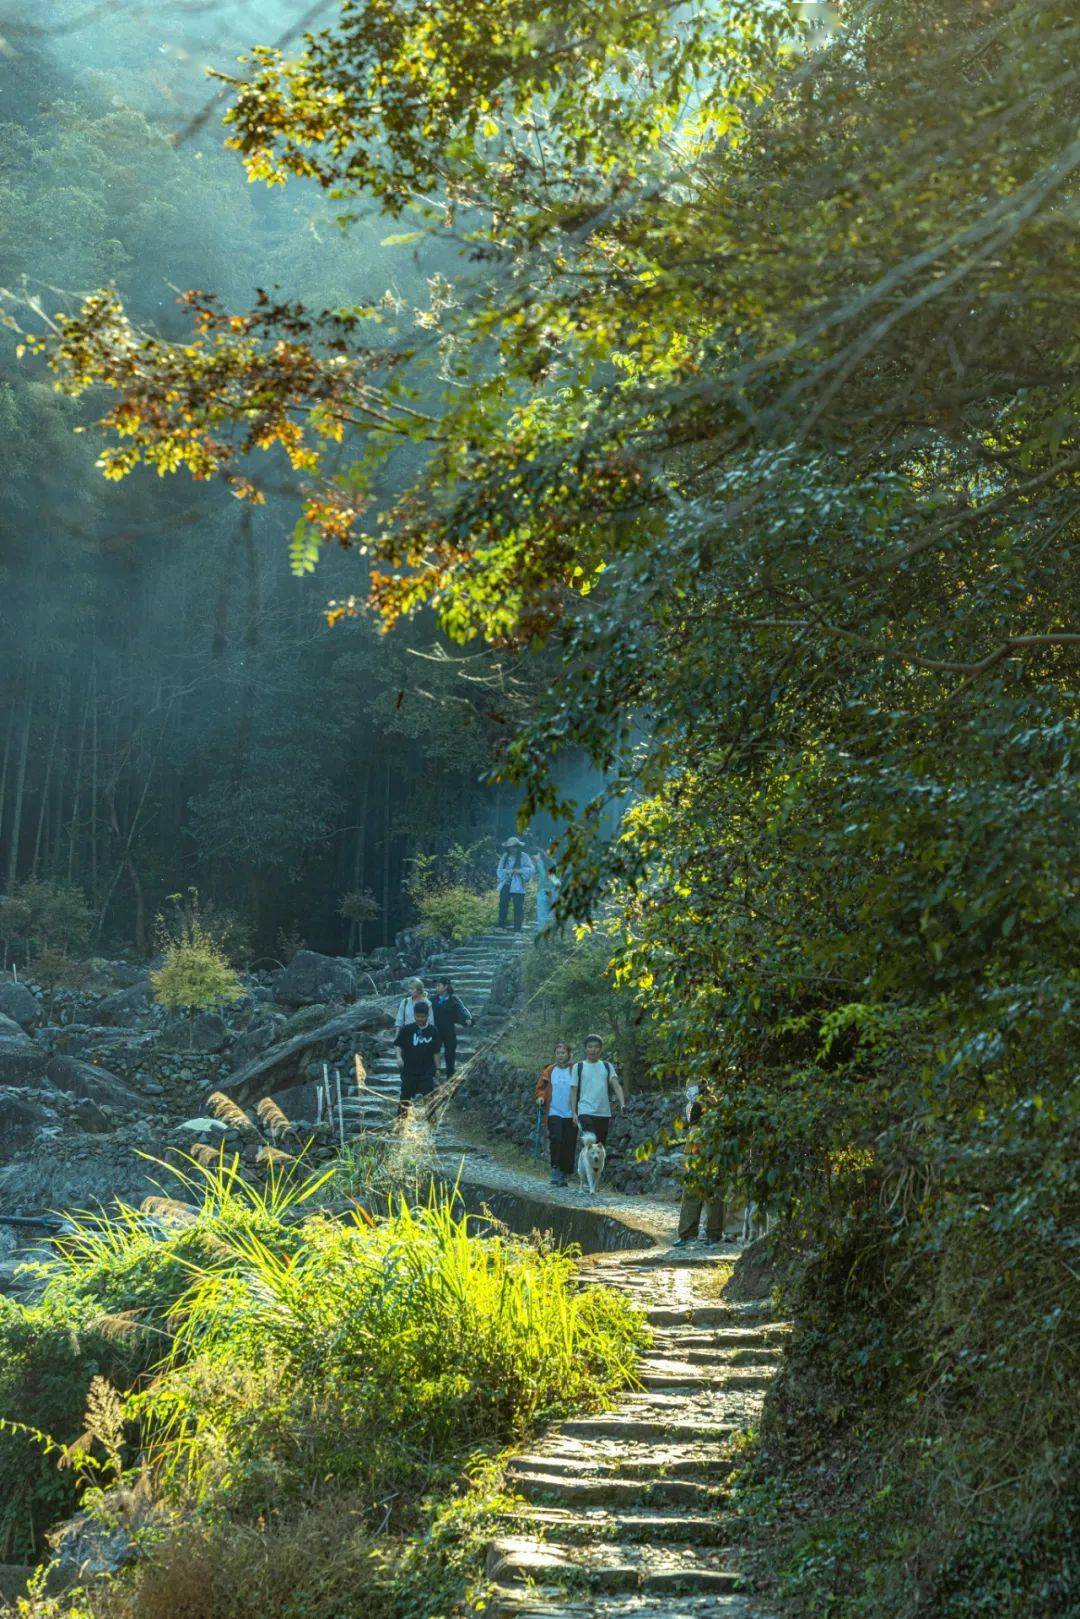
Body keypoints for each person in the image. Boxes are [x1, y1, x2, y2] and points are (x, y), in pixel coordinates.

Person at [675, 1080, 726, 1245]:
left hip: (713, 1147)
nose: (689, 1087)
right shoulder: (692, 1104)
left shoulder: (714, 1100)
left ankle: (713, 1234)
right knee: (691, 1191)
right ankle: (687, 1234)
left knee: (713, 1192)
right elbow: (691, 1124)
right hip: (694, 1149)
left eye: (693, 1084)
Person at [570, 1034, 625, 1146]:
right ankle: (585, 1163)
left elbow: (617, 1086)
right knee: (592, 1141)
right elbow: (573, 1090)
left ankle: (592, 1163)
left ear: (600, 1049)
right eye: (590, 1047)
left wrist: (622, 1104)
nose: (593, 1050)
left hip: (603, 1112)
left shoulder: (607, 1066)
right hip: (585, 1111)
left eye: (596, 1047)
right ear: (585, 1049)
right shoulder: (578, 1067)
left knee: (600, 1146)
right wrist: (573, 1112)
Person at [535, 1040, 577, 1186]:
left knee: (569, 1143)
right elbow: (541, 1087)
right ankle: (555, 1169)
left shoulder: (575, 1070)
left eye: (563, 1053)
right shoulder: (549, 1071)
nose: (560, 1056)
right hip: (553, 1111)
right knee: (556, 1139)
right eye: (558, 1053)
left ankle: (564, 1174)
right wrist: (540, 1097)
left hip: (571, 1113)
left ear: (569, 1054)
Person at [393, 999, 442, 1116]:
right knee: (405, 1096)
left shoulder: (433, 1031)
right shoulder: (407, 1029)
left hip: (427, 1070)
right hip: (409, 1069)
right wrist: (399, 1057)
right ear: (414, 1015)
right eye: (417, 1016)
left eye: (422, 1016)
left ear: (427, 1016)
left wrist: (438, 1068)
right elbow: (398, 1044)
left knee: (429, 1096)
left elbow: (436, 1052)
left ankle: (431, 1121)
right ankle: (401, 1122)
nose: (420, 1019)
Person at [430, 977, 473, 1080]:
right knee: (433, 1054)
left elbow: (462, 1010)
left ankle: (450, 1081)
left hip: (449, 1031)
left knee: (450, 1056)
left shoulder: (453, 999)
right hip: (435, 1032)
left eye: (439, 985)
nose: (437, 988)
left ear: (446, 986)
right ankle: (432, 1079)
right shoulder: (432, 1000)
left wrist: (467, 1019)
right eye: (436, 986)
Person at [496, 837, 535, 931]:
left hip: (518, 885)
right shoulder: (505, 856)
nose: (512, 849)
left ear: (518, 847)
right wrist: (507, 872)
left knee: (518, 907)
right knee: (503, 904)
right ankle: (501, 926)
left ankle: (517, 928)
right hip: (506, 883)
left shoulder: (523, 856)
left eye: (514, 847)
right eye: (510, 847)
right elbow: (499, 870)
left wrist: (520, 871)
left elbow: (531, 870)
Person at [534, 851, 560, 934]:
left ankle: (542, 932)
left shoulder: (540, 863)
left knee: (542, 914)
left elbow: (543, 876)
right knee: (552, 913)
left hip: (545, 891)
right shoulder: (551, 864)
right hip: (552, 891)